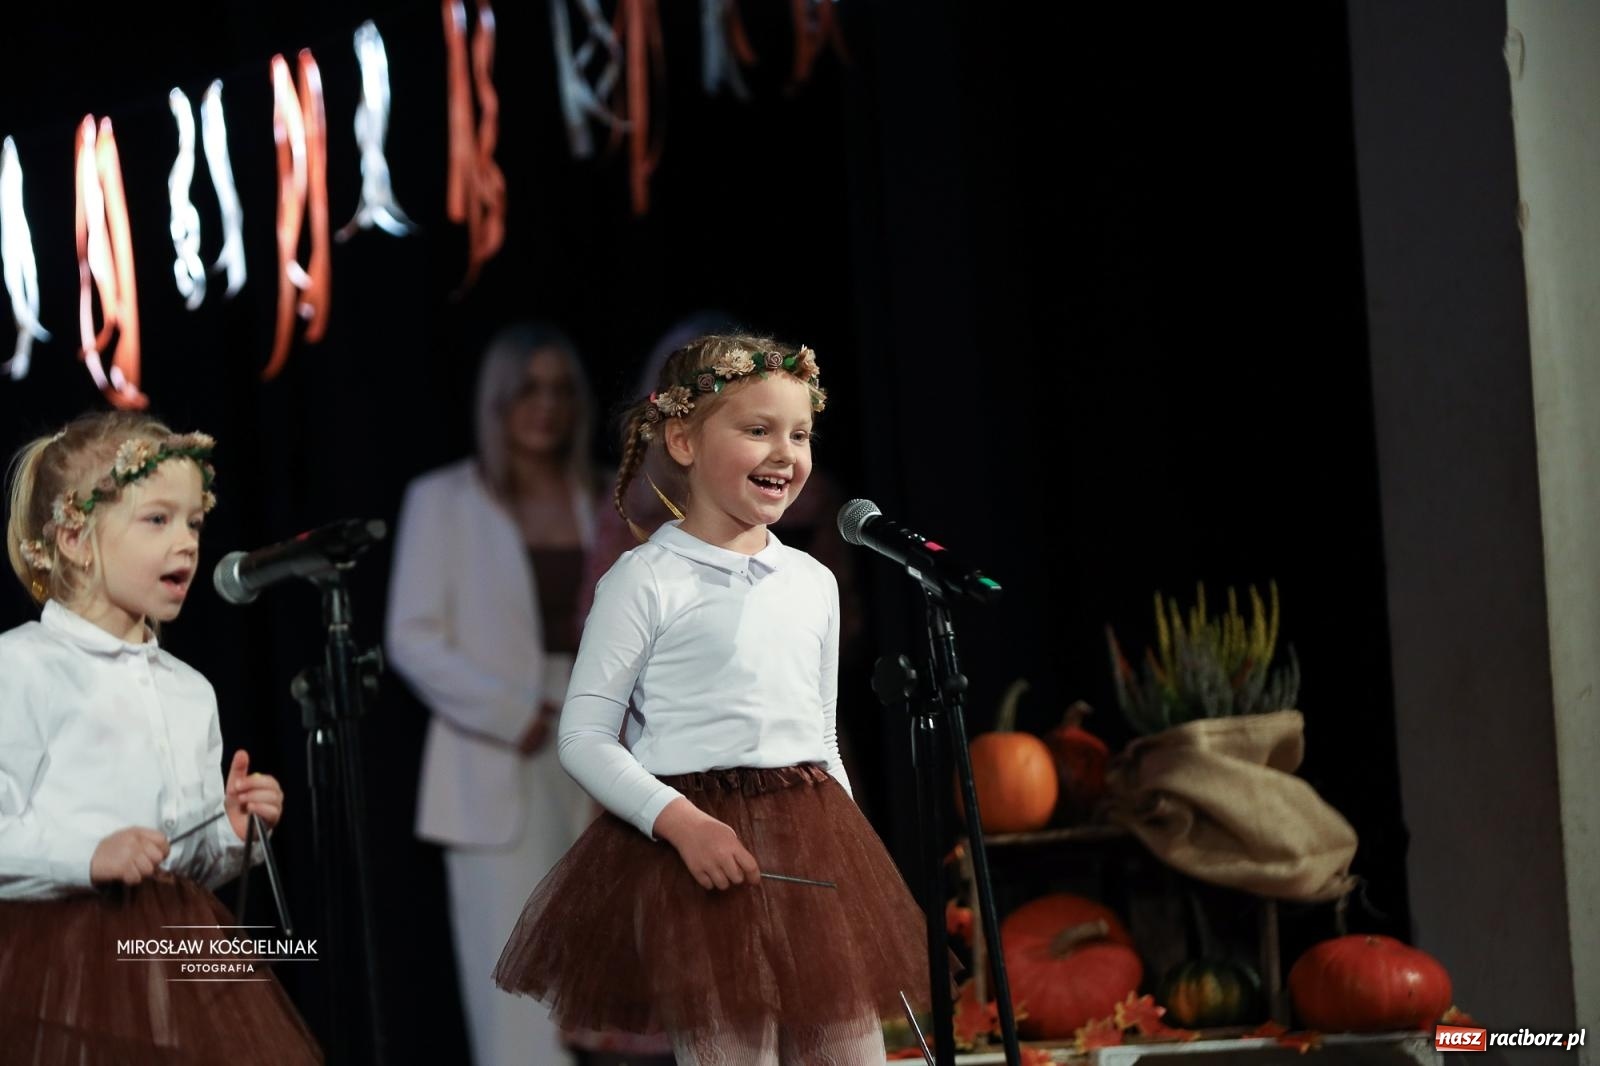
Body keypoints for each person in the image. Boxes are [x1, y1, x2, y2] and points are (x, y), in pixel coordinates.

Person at [494, 334, 927, 1064]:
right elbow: (586, 736)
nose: (785, 453)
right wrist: (682, 824)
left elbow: (820, 740)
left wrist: (855, 871)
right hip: (701, 860)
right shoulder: (646, 579)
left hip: (809, 850)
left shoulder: (810, 582)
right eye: (757, 431)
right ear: (684, 439)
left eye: (800, 433)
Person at [0, 410, 320, 1064]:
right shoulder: (22, 666)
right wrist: (89, 854)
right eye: (157, 520)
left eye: (194, 523)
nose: (187, 543)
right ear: (73, 537)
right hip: (56, 958)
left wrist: (229, 835)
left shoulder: (188, 690)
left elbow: (183, 859)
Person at [386, 323, 601, 1066]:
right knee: (517, 991)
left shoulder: (602, 496)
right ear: (496, 402)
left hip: (600, 744)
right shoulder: (442, 500)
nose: (545, 407)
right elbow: (412, 636)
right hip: (497, 754)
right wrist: (514, 712)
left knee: (604, 975)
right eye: (527, 390)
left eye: (560, 390)